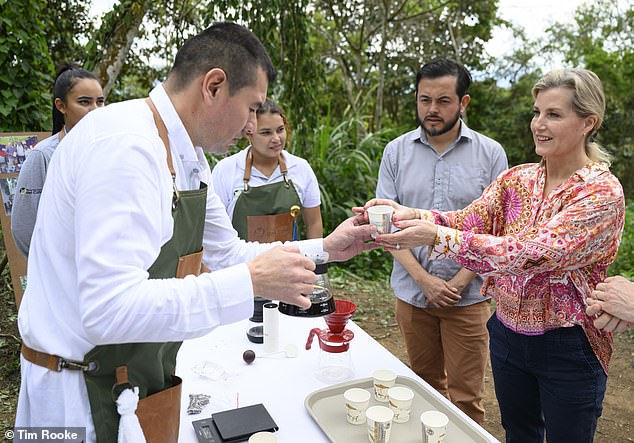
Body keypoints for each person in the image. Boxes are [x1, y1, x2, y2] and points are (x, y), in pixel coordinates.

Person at [15, 22, 376, 443]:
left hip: (133, 380)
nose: (252, 125)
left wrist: (327, 248)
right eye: (252, 107)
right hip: (76, 398)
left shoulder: (188, 157)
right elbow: (107, 309)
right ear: (214, 86)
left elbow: (230, 252)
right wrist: (250, 283)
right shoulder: (126, 146)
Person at [362, 68, 625, 443]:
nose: (539, 124)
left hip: (569, 343)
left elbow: (534, 253)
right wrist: (410, 214)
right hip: (507, 333)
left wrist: (436, 235)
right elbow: (467, 220)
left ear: (588, 123)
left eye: (554, 114)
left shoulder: (600, 192)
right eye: (537, 112)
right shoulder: (518, 179)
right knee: (519, 432)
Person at [375, 58, 507, 424]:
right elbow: (385, 226)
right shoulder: (395, 152)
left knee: (466, 398)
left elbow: (496, 229)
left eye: (443, 100)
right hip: (413, 295)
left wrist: (458, 282)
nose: (432, 110)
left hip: (468, 298)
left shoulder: (490, 154)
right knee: (423, 388)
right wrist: (424, 280)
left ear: (463, 103)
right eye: (424, 99)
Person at [11, 63, 104, 258]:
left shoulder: (108, 151)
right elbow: (24, 228)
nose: (95, 109)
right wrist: (51, 264)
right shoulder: (43, 156)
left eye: (100, 102)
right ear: (61, 106)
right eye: (85, 102)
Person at [211, 98, 323, 242]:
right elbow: (214, 231)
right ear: (249, 134)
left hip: (290, 262)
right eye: (266, 133)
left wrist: (316, 262)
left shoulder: (300, 168)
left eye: (280, 130)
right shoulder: (226, 170)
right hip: (243, 264)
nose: (276, 139)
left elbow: (314, 223)